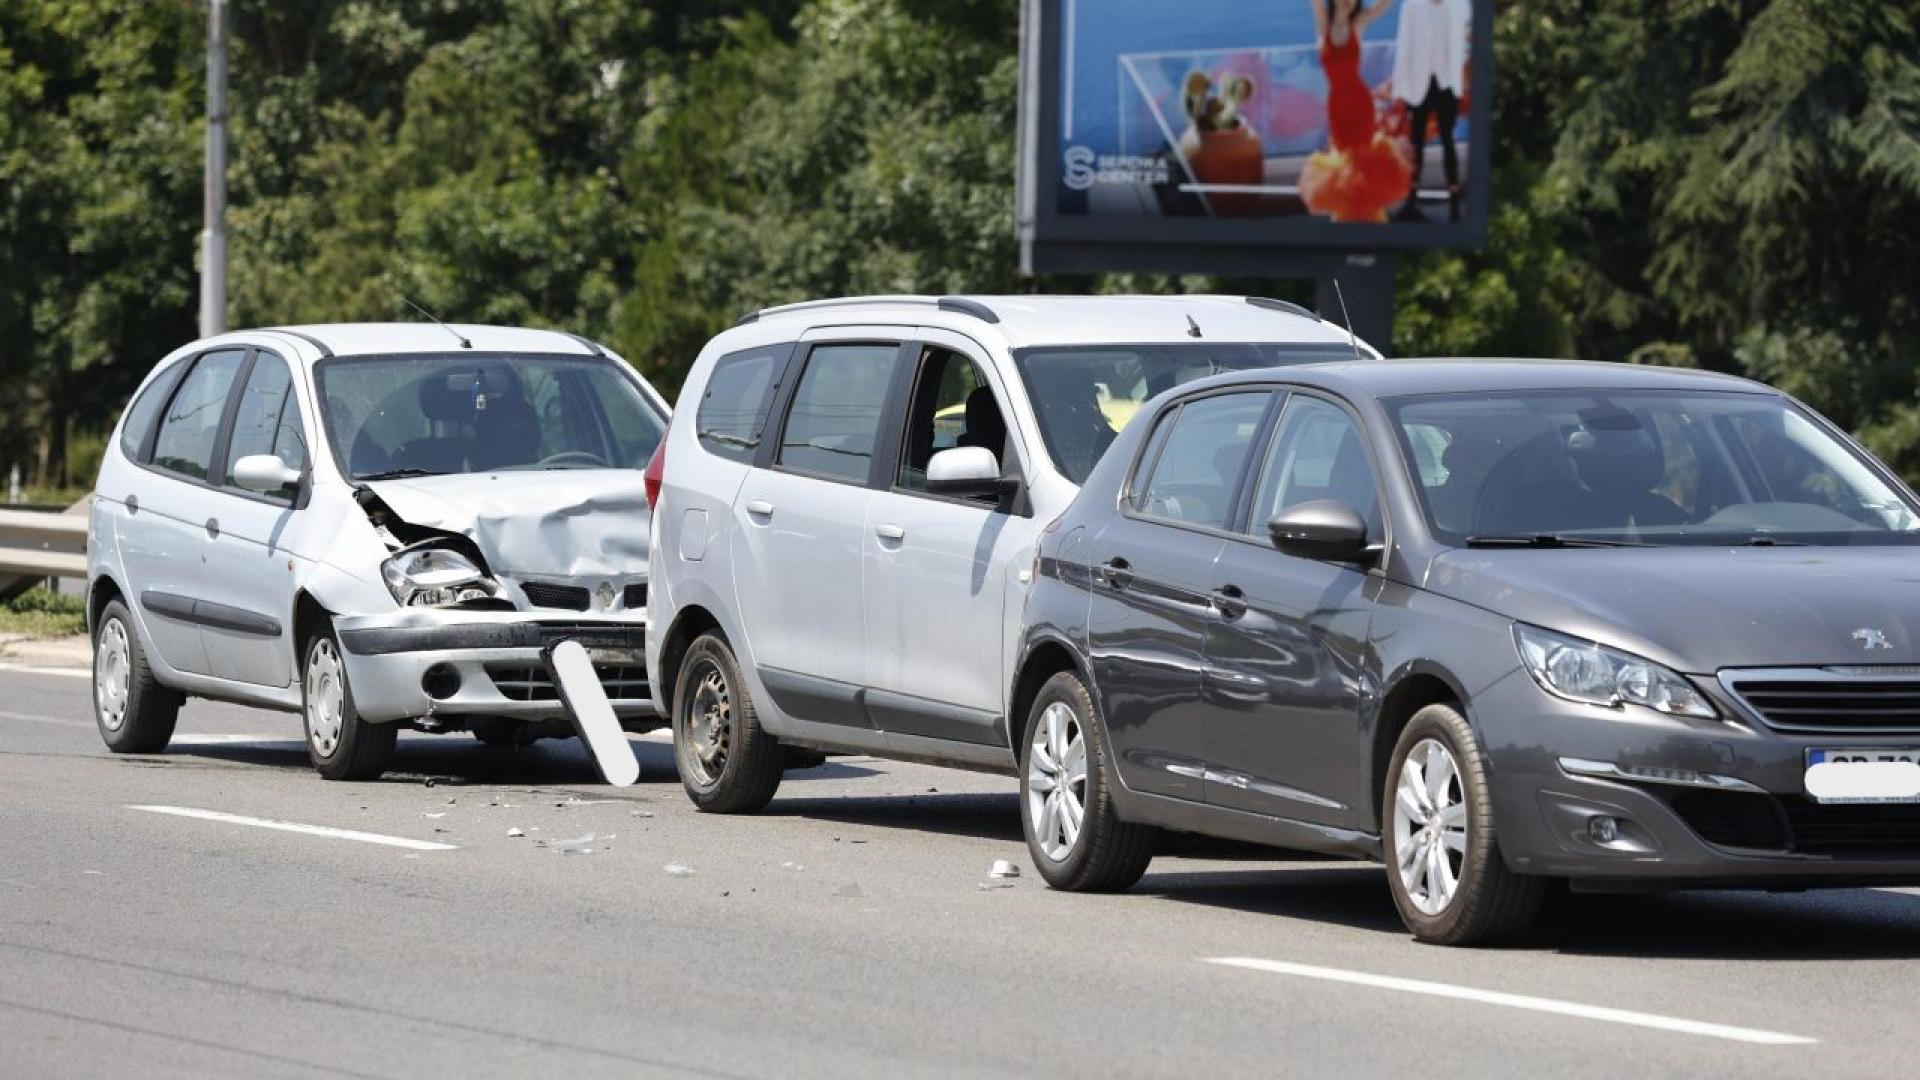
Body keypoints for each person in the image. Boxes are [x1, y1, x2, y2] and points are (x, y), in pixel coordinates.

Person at [1299, 0, 1411, 224]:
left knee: (1364, 159)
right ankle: (1347, 220)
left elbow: (1382, 6)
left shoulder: (1358, 24)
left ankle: (1371, 220)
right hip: (1337, 107)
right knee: (1343, 161)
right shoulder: (1323, 26)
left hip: (1361, 105)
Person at [1390, 0, 1470, 222]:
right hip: (1420, 83)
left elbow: (1466, 39)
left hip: (1447, 83)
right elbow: (1403, 46)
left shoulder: (1459, 4)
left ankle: (1454, 203)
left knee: (1448, 140)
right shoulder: (1412, 6)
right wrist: (1401, 89)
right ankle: (1411, 201)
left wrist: (1459, 84)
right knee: (1417, 142)